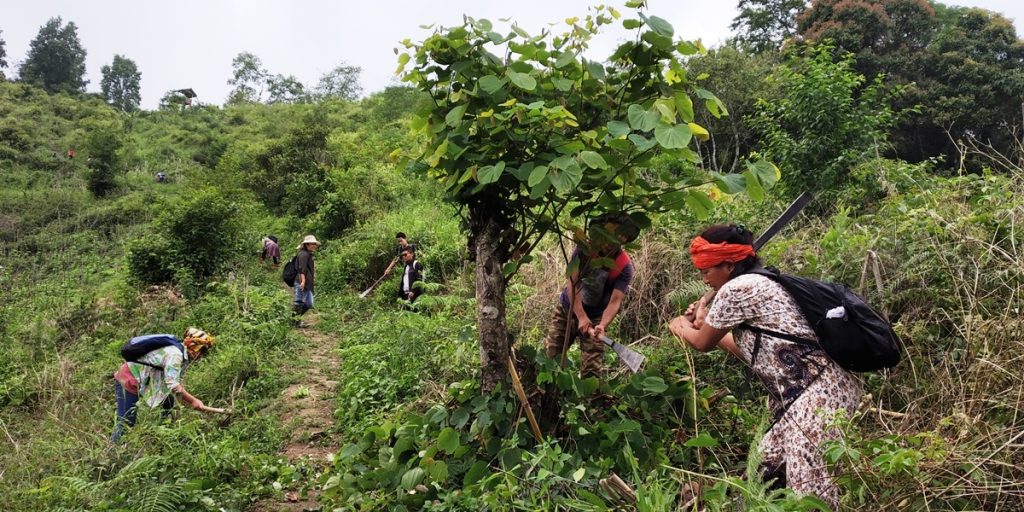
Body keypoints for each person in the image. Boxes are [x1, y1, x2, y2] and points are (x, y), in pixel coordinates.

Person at [668, 223, 862, 509]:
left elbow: (701, 343)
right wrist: (703, 323)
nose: (703, 278)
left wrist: (680, 326)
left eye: (706, 271)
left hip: (818, 391)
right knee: (765, 471)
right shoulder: (757, 282)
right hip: (800, 396)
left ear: (729, 265)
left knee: (808, 482)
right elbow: (752, 352)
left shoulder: (736, 289)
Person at [543, 213, 639, 380]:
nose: (611, 243)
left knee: (592, 371)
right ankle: (546, 398)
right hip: (568, 309)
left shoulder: (624, 266)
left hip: (595, 317)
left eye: (619, 239)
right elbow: (572, 284)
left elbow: (615, 301)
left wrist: (602, 324)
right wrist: (580, 316)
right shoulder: (584, 250)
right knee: (551, 358)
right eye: (609, 236)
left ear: (624, 240)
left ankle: (591, 402)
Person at [112, 328, 216, 442]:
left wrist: (190, 402)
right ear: (194, 346)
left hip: (147, 381)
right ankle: (112, 450)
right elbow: (173, 385)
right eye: (202, 351)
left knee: (169, 403)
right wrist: (193, 400)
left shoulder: (184, 356)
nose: (202, 356)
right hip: (129, 378)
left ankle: (163, 436)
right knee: (127, 421)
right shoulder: (175, 355)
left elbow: (177, 384)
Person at [292, 235, 319, 319]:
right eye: (312, 244)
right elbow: (301, 269)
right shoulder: (304, 254)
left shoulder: (307, 254)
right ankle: (295, 320)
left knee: (309, 303)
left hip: (307, 283)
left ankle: (295, 318)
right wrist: (303, 281)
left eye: (315, 244)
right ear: (307, 244)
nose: (314, 245)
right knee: (299, 301)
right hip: (302, 282)